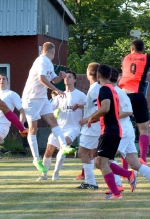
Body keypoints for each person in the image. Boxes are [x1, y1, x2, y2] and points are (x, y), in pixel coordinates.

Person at [105, 67, 150, 195]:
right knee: (134, 163)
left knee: (104, 160)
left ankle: (118, 185)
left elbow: (128, 111)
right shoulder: (115, 91)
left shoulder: (117, 92)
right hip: (125, 130)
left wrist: (110, 115)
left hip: (121, 132)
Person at [83, 64, 136, 200]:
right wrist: (94, 120)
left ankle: (116, 193)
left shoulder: (104, 90)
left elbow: (105, 109)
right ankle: (128, 176)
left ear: (98, 76)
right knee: (101, 162)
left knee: (101, 162)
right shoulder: (112, 89)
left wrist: (91, 117)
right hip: (114, 129)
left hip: (109, 130)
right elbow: (111, 112)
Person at [22, 42, 75, 173]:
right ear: (52, 52)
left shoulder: (48, 63)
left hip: (42, 97)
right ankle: (36, 159)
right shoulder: (41, 61)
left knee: (52, 120)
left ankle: (63, 146)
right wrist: (56, 90)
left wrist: (60, 77)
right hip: (31, 98)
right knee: (33, 128)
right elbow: (42, 78)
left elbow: (53, 79)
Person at [37, 70, 86, 181]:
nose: (66, 78)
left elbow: (89, 106)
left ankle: (56, 173)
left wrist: (79, 106)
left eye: (70, 77)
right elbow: (49, 108)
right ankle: (44, 174)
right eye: (65, 77)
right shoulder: (60, 96)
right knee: (49, 150)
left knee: (64, 148)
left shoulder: (81, 95)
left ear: (75, 80)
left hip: (73, 128)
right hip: (59, 128)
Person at [75, 62, 101, 189]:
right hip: (92, 127)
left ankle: (91, 182)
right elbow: (92, 106)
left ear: (90, 73)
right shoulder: (95, 87)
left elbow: (100, 109)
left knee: (82, 152)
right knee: (90, 154)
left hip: (92, 127)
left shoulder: (95, 88)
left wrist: (89, 120)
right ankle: (89, 181)